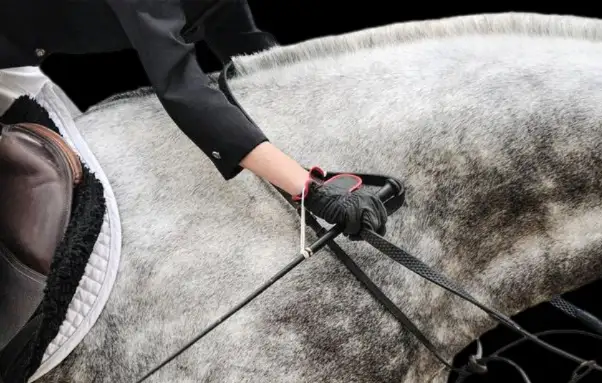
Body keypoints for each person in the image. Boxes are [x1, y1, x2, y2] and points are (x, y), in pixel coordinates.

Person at [0, 0, 385, 234]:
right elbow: (182, 87)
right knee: (49, 193)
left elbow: (245, 47)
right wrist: (307, 188)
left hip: (18, 61)